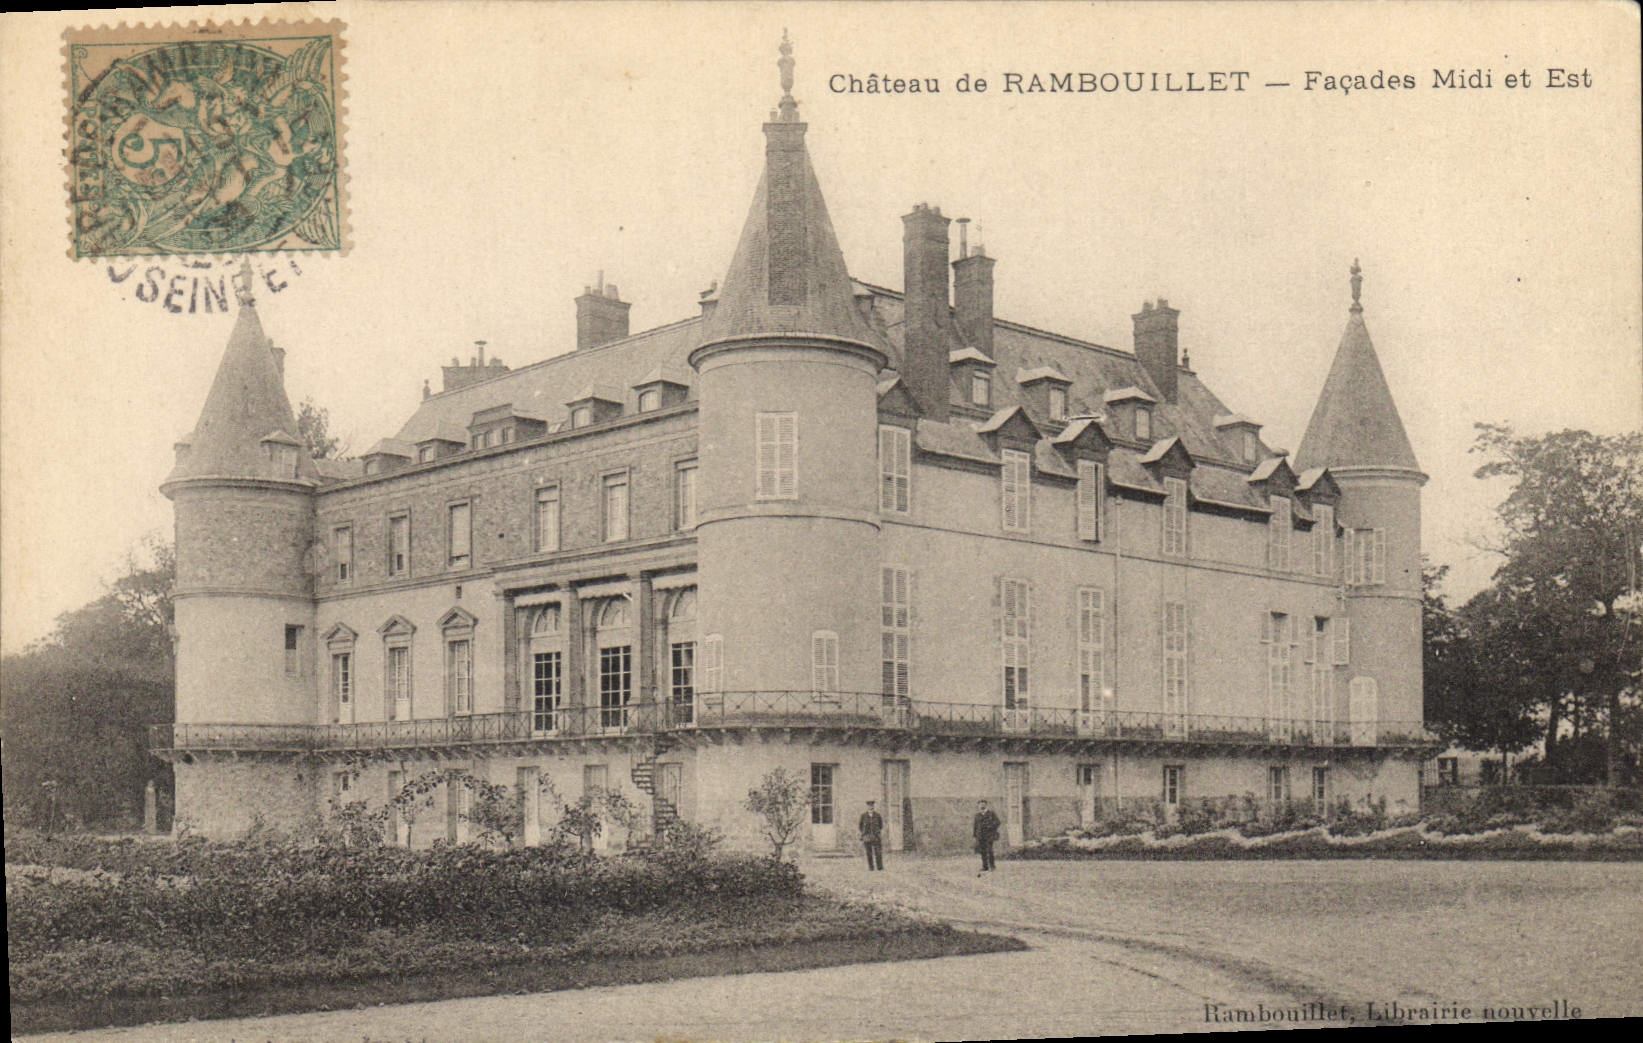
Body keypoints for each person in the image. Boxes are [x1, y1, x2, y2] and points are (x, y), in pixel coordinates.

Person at [973, 799, 1001, 874]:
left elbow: (998, 822)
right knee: (982, 851)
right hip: (980, 836)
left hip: (989, 835)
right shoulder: (977, 815)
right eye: (980, 804)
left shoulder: (991, 814)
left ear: (986, 805)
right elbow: (975, 826)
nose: (981, 806)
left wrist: (990, 827)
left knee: (989, 850)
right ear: (978, 806)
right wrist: (975, 836)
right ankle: (985, 866)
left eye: (983, 804)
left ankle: (992, 866)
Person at [859, 799, 885, 871]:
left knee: (878, 852)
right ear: (867, 806)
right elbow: (860, 826)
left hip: (876, 836)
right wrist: (864, 834)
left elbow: (881, 825)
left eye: (872, 805)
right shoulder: (863, 816)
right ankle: (871, 867)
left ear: (874, 806)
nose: (871, 807)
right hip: (867, 836)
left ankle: (879, 867)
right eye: (869, 805)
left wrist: (877, 832)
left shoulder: (877, 815)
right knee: (869, 852)